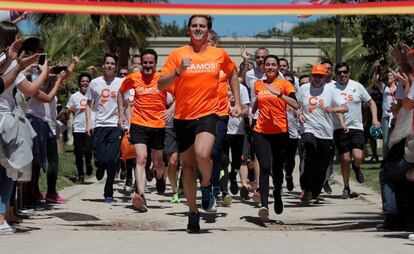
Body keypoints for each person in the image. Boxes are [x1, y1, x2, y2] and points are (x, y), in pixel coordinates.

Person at [158, 15, 241, 233]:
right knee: (187, 167)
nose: (198, 29)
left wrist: (238, 102)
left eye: (202, 26)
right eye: (194, 25)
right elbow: (160, 84)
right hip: (183, 117)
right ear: (188, 30)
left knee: (204, 154)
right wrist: (178, 72)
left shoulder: (218, 54)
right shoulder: (178, 54)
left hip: (208, 113)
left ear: (208, 30)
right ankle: (193, 212)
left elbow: (233, 73)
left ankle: (206, 185)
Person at [118, 48, 173, 212]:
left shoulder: (163, 78)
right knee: (141, 159)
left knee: (157, 163)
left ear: (156, 63)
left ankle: (160, 177)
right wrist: (121, 114)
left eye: (151, 63)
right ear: (141, 63)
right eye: (145, 63)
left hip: (158, 125)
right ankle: (140, 194)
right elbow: (121, 92)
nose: (148, 65)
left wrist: (171, 110)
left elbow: (179, 95)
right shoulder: (134, 78)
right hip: (139, 123)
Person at [252, 55, 299, 222]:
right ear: (263, 67)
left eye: (273, 65)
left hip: (280, 132)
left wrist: (278, 94)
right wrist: (252, 112)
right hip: (261, 131)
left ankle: (277, 193)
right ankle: (264, 205)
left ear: (278, 67)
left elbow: (295, 104)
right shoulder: (258, 84)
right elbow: (258, 100)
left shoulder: (285, 84)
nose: (270, 67)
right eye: (267, 65)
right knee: (265, 167)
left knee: (278, 169)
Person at [296, 64, 348, 204]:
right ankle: (306, 189)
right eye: (315, 75)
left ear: (325, 77)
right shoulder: (303, 88)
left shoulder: (331, 90)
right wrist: (298, 113)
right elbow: (295, 105)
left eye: (320, 76)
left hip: (325, 133)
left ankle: (314, 190)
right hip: (308, 128)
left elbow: (345, 107)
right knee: (309, 154)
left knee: (322, 165)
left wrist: (335, 109)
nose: (317, 78)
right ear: (311, 75)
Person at [333, 62, 381, 199]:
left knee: (358, 156)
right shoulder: (331, 88)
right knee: (345, 158)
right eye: (339, 72)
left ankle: (357, 167)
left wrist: (375, 120)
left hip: (357, 127)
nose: (342, 74)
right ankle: (346, 188)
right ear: (336, 74)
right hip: (340, 128)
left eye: (344, 72)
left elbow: (371, 102)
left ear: (349, 72)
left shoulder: (357, 86)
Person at [85, 53, 123, 203]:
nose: (109, 66)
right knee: (101, 159)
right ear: (103, 65)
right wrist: (89, 122)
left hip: (115, 125)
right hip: (99, 125)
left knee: (112, 160)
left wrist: (125, 119)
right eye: (107, 63)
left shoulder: (121, 82)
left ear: (116, 67)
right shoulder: (94, 83)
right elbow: (88, 104)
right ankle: (100, 167)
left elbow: (126, 103)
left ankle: (109, 192)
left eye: (112, 64)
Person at [66, 73, 93, 184]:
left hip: (90, 127)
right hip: (77, 128)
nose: (85, 83)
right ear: (79, 83)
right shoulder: (74, 96)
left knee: (87, 150)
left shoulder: (93, 96)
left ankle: (88, 163)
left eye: (87, 81)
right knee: (78, 153)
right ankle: (81, 175)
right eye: (83, 81)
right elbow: (68, 110)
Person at [281, 72, 300, 191]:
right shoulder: (278, 95)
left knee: (290, 159)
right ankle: (278, 181)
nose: (288, 84)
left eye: (291, 82)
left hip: (293, 133)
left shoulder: (298, 96)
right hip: (279, 132)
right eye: (285, 81)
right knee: (278, 158)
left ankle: (288, 175)